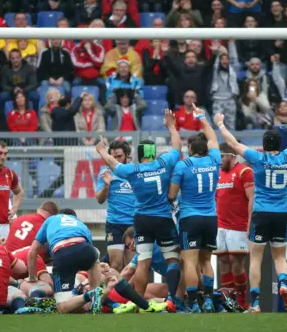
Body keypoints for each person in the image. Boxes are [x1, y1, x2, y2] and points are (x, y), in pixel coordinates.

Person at [214, 111, 287, 313]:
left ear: (264, 145)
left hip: (261, 213)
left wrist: (220, 124)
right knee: (280, 257)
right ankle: (283, 284)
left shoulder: (257, 158)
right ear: (280, 145)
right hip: (281, 212)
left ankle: (255, 303)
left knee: (255, 258)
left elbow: (233, 145)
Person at [95, 109, 182, 309]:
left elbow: (113, 164)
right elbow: (176, 147)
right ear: (154, 153)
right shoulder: (163, 163)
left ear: (137, 154)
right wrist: (170, 126)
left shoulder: (132, 171)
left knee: (143, 261)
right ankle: (173, 300)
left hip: (141, 221)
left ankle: (140, 303)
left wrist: (101, 150)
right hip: (162, 218)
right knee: (173, 259)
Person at [167, 105, 220, 313]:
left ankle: (193, 302)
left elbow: (172, 194)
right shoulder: (214, 160)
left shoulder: (183, 165)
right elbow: (214, 138)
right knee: (206, 260)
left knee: (189, 261)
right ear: (206, 148)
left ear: (190, 149)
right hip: (210, 217)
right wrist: (203, 118)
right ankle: (208, 299)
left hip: (190, 217)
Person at [26, 209, 105, 314]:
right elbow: (88, 252)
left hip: (62, 254)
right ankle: (95, 292)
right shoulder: (80, 224)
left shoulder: (51, 220)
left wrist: (32, 277)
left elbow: (33, 251)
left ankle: (89, 295)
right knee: (95, 257)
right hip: (85, 249)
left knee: (62, 308)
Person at [215, 143, 254, 309]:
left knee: (236, 263)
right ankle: (228, 302)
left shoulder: (244, 172)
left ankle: (242, 303)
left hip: (238, 225)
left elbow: (252, 199)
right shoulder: (217, 173)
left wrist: (250, 223)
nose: (219, 161)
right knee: (223, 261)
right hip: (219, 224)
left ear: (232, 155)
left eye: (221, 157)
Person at [95, 140, 136, 271]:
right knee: (116, 265)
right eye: (113, 156)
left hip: (133, 224)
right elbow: (99, 199)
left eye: (119, 156)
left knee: (131, 266)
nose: (116, 159)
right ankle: (114, 292)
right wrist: (107, 185)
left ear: (127, 155)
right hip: (115, 224)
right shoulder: (105, 171)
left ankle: (131, 292)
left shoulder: (134, 170)